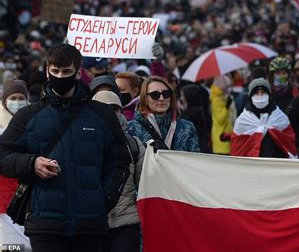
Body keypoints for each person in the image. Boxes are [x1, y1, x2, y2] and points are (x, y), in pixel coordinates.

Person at [0, 44, 130, 252]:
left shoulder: (102, 115)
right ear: (47, 71)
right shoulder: (28, 116)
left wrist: (103, 199)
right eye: (56, 71)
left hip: (89, 225)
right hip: (45, 225)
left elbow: (120, 160)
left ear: (78, 72)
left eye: (67, 71)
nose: (61, 76)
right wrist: (31, 164)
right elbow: (2, 155)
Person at [92, 91, 145, 252]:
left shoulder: (134, 144)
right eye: (103, 108)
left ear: (121, 112)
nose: (109, 113)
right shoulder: (80, 143)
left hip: (126, 224)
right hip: (91, 224)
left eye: (114, 108)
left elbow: (145, 184)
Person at [127, 76, 200, 152]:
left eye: (165, 94)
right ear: (145, 98)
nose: (161, 98)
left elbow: (195, 160)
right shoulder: (132, 128)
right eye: (155, 95)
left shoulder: (187, 127)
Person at [230, 78, 297, 158]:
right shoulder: (243, 120)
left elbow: (289, 143)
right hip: (253, 166)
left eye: (263, 92)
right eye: (256, 93)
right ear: (251, 96)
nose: (260, 96)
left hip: (276, 164)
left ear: (269, 94)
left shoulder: (279, 117)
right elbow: (237, 148)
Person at [0, 79, 31, 251]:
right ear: (5, 100)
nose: (17, 102)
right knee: (11, 248)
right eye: (13, 97)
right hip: (4, 200)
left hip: (28, 200)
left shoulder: (34, 122)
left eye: (21, 97)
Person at [178, 84, 212, 153]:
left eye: (182, 96)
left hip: (196, 150)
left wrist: (183, 112)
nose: (181, 98)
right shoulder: (200, 110)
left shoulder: (193, 115)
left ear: (189, 97)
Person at [210, 75, 236, 155]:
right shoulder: (216, 99)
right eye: (227, 87)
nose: (229, 89)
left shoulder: (223, 97)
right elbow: (220, 119)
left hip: (226, 135)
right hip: (220, 138)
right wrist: (227, 107)